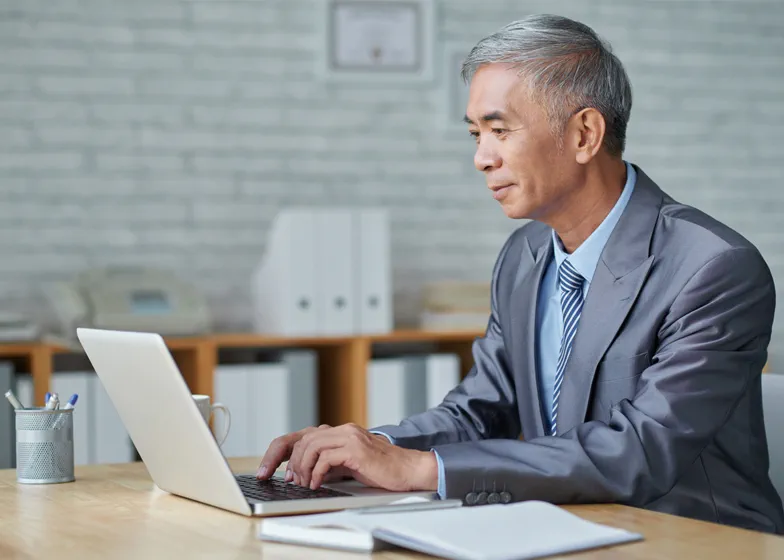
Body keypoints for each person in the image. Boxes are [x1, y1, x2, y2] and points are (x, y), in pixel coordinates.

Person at [257, 14, 784, 534]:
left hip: (694, 539)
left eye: (499, 130)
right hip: (561, 525)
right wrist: (369, 447)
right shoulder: (524, 255)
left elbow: (639, 451)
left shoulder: (714, 268)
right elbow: (480, 412)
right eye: (475, 134)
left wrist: (421, 470)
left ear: (584, 134)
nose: (481, 158)